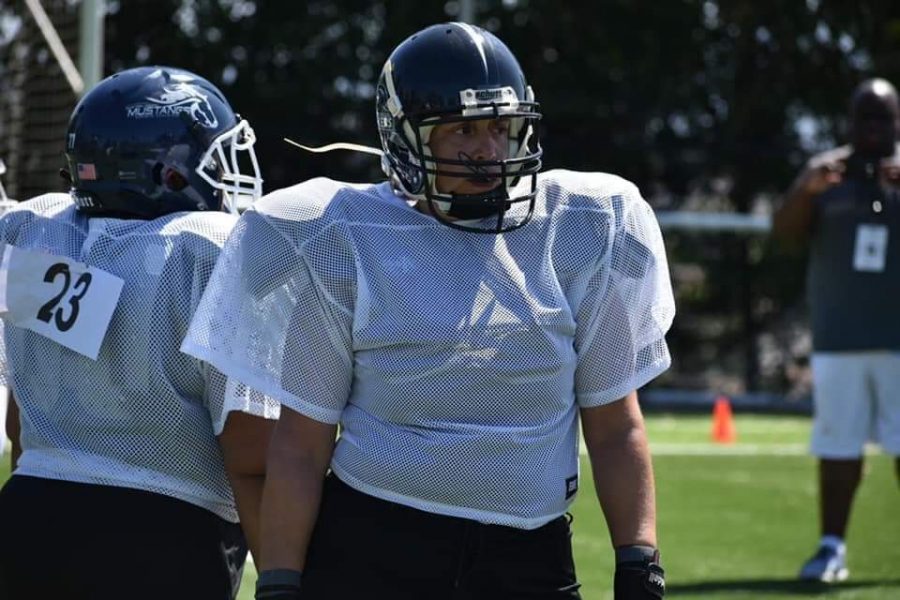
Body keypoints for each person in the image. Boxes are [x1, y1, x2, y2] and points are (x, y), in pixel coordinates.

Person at [184, 23, 672, 600]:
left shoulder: (581, 227)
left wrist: (639, 559)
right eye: (462, 129)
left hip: (528, 554)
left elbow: (615, 426)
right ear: (405, 138)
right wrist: (283, 581)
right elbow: (301, 442)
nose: (488, 151)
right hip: (377, 546)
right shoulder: (344, 235)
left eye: (499, 127)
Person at [0, 66, 277, 600]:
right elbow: (251, 457)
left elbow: (21, 427)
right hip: (166, 533)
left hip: (30, 518)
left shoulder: (37, 232)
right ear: (168, 171)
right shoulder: (210, 250)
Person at [773, 77, 900, 583]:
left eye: (883, 117)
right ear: (849, 123)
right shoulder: (826, 176)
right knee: (838, 446)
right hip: (839, 340)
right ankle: (831, 549)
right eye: (864, 117)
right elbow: (782, 233)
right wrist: (806, 186)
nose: (873, 127)